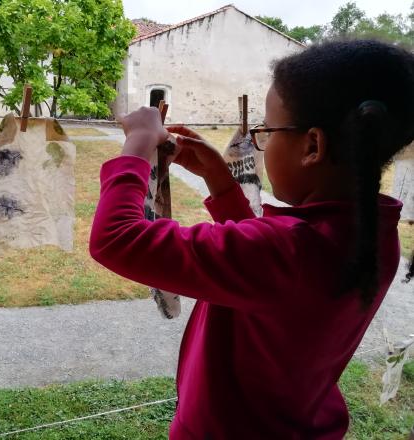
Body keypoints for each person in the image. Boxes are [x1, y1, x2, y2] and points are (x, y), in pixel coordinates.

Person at [89, 39, 414, 439]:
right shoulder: (370, 233)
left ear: (312, 145)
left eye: (267, 130)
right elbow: (267, 279)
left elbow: (117, 238)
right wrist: (220, 182)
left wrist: (137, 142)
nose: (261, 139)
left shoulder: (289, 252)